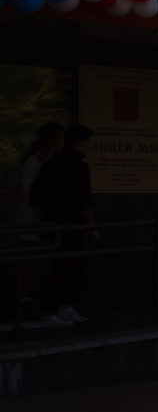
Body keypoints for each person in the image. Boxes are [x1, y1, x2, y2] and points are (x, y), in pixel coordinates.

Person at [27, 124, 95, 326]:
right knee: (71, 265)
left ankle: (60, 308)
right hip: (72, 225)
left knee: (62, 265)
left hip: (54, 224)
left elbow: (35, 196)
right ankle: (57, 308)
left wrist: (44, 221)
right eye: (87, 143)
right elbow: (85, 201)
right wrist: (92, 227)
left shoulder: (51, 164)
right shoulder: (80, 167)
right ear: (80, 143)